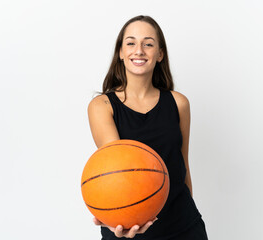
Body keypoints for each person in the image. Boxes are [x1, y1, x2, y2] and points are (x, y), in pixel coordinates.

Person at [87, 15, 208, 240]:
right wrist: (124, 218)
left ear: (160, 54)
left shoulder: (179, 103)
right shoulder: (102, 106)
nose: (139, 50)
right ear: (121, 53)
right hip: (127, 226)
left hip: (182, 226)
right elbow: (119, 171)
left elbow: (183, 167)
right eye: (131, 43)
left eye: (148, 43)